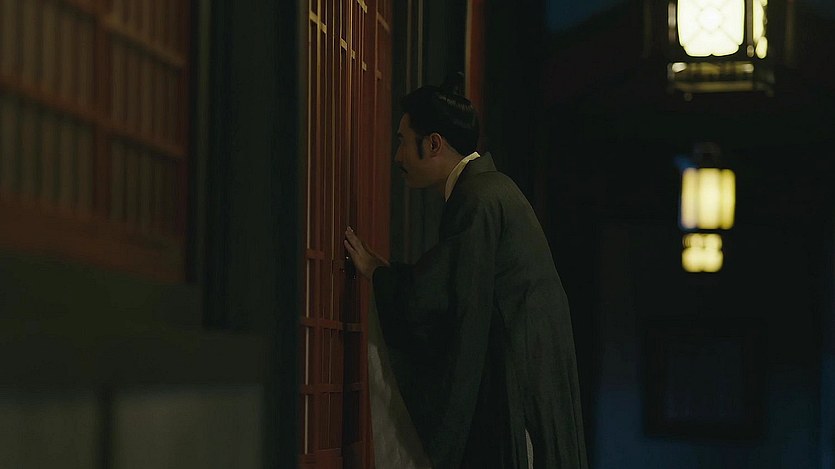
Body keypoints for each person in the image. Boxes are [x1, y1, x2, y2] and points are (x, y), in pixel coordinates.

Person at [344, 74, 588, 469]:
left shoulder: (478, 198)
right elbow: (454, 284)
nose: (398, 157)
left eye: (403, 142)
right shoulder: (492, 189)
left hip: (515, 385)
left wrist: (380, 275)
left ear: (434, 144)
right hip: (532, 377)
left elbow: (439, 298)